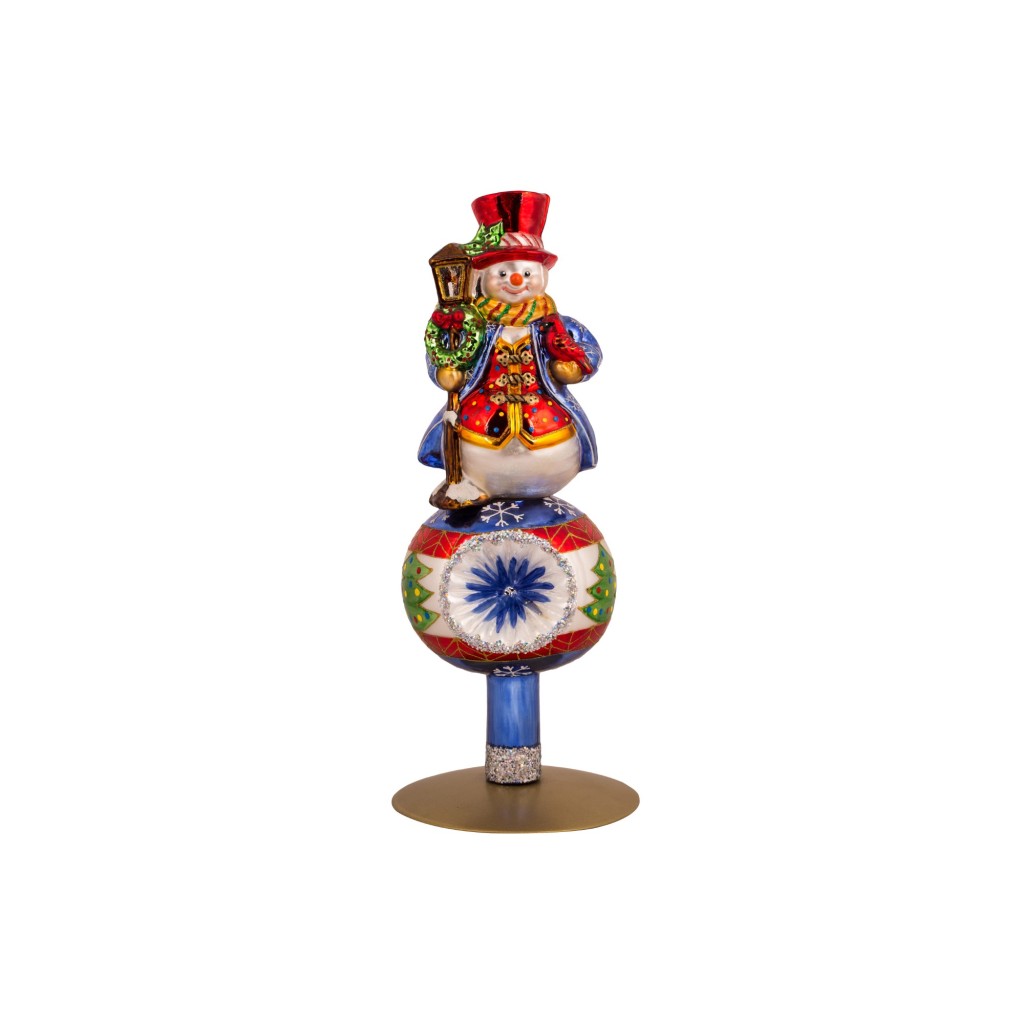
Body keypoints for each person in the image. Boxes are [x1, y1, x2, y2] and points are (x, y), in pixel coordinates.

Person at [418, 191, 602, 508]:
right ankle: (471, 485)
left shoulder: (553, 325)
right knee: (464, 440)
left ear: (541, 276)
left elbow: (589, 348)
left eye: (527, 273)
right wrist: (445, 373)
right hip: (480, 427)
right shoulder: (472, 324)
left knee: (554, 448)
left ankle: (543, 490)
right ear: (483, 278)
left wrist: (575, 365)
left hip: (546, 425)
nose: (516, 279)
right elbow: (442, 352)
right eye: (502, 273)